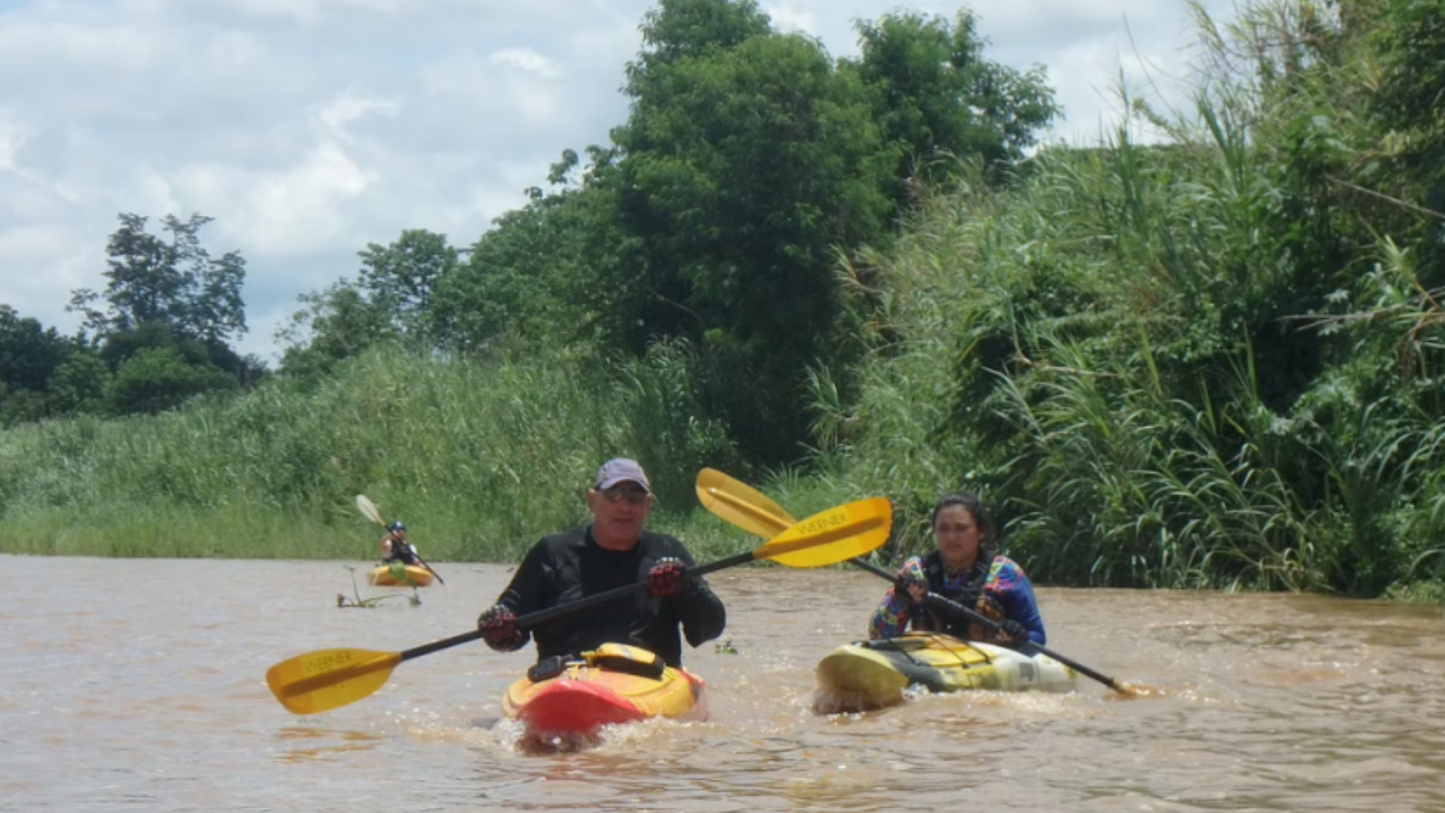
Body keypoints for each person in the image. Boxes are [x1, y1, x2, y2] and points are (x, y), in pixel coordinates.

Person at [476, 458, 727, 668]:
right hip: (566, 684)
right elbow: (510, 634)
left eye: (634, 497)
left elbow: (710, 629)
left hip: (648, 681)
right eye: (613, 495)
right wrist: (498, 628)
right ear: (592, 500)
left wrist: (685, 588)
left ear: (647, 505)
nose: (624, 506)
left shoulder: (667, 553)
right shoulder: (552, 553)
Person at [868, 491, 1046, 648]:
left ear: (980, 532)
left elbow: (1039, 638)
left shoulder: (1006, 572)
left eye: (961, 528)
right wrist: (900, 599)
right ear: (935, 532)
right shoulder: (916, 570)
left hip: (989, 663)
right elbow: (878, 634)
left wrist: (1018, 636)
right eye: (943, 529)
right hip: (928, 662)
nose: (951, 537)